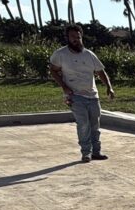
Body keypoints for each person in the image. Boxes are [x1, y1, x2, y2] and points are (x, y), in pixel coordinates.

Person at [49, 24, 115, 163]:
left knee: (94, 125)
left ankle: (96, 152)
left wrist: (109, 87)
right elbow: (53, 70)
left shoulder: (89, 55)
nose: (76, 39)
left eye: (78, 37)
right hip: (75, 95)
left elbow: (100, 72)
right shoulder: (60, 54)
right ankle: (86, 152)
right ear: (67, 38)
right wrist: (64, 87)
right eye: (72, 37)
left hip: (92, 95)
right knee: (83, 124)